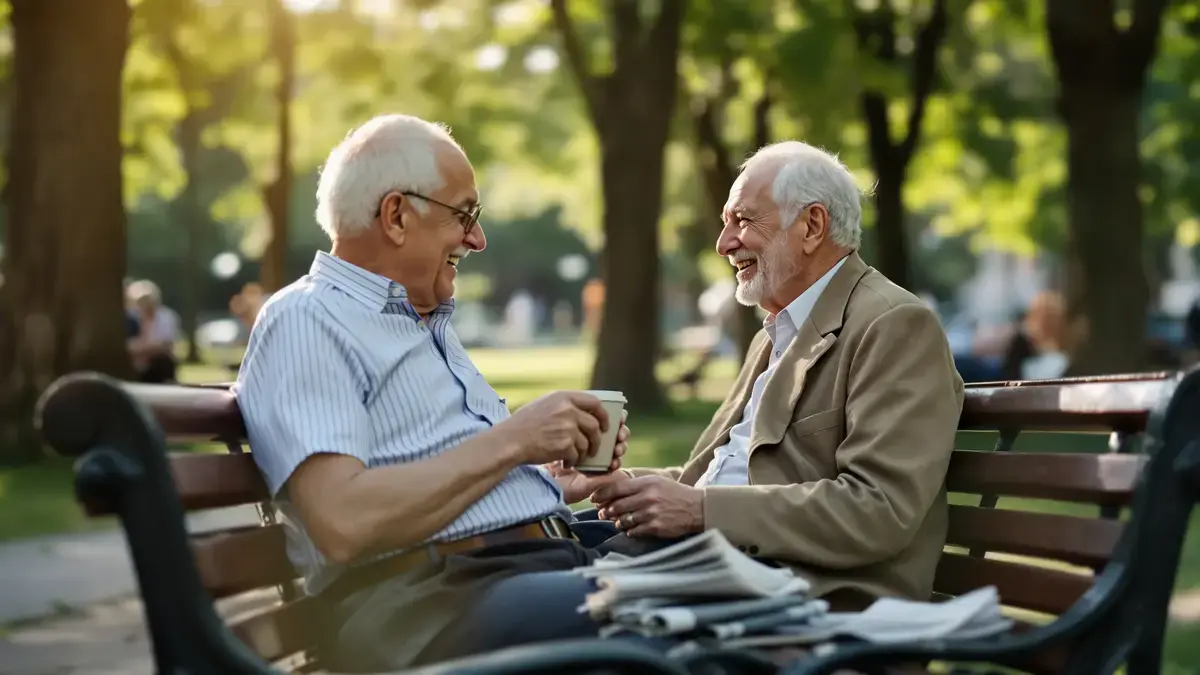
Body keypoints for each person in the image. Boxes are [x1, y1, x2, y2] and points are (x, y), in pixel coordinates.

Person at [233, 115, 633, 671]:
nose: (478, 238)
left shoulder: (421, 320)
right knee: (703, 610)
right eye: (464, 214)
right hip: (428, 603)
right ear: (397, 215)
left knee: (752, 570)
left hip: (520, 569)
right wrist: (515, 440)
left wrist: (542, 484)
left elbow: (436, 470)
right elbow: (342, 521)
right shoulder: (308, 316)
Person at [584, 141, 965, 611]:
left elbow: (879, 509)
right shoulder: (775, 332)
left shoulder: (893, 323)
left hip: (805, 597)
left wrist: (699, 511)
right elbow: (724, 475)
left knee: (534, 605)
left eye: (742, 221)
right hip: (716, 567)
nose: (723, 243)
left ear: (812, 226)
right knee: (526, 568)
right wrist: (619, 483)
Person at [126, 279, 180, 383]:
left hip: (158, 361)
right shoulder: (132, 317)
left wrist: (142, 349)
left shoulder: (167, 316)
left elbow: (165, 344)